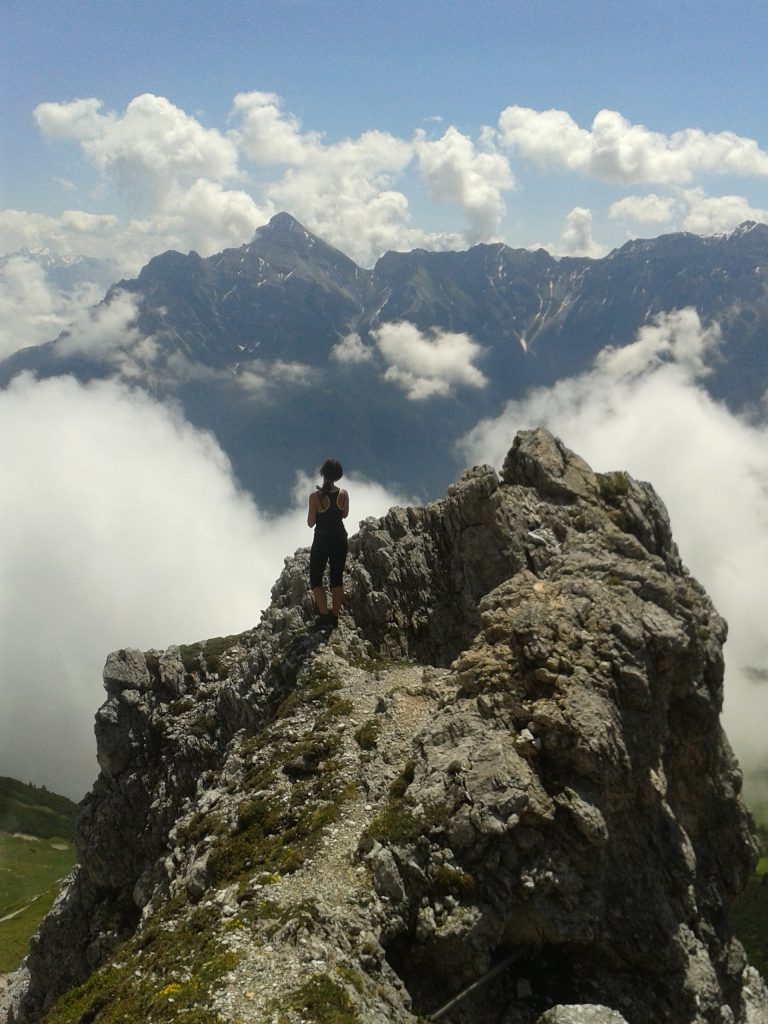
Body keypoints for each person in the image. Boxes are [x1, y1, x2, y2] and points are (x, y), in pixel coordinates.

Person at [307, 458, 349, 630]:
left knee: (316, 577)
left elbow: (310, 522)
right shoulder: (344, 494)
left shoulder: (315, 497)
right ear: (338, 476)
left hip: (322, 540)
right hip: (340, 538)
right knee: (336, 578)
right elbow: (344, 514)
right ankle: (335, 615)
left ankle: (324, 615)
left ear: (323, 473)